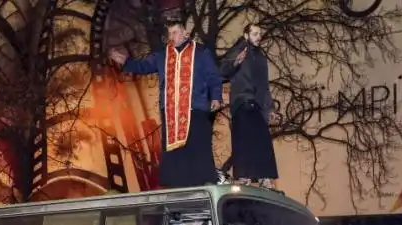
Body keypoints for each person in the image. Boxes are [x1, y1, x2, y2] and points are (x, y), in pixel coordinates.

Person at [110, 18, 222, 188]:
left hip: (195, 108)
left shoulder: (200, 52)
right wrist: (126, 62)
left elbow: (213, 77)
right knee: (173, 151)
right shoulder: (163, 55)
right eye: (170, 33)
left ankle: (203, 181)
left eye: (175, 32)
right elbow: (143, 66)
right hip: (171, 112)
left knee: (198, 146)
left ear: (185, 32)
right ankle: (176, 184)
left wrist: (215, 96)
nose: (172, 36)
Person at [219, 22, 278, 188]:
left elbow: (264, 85)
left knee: (262, 139)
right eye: (255, 34)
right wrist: (235, 63)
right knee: (243, 137)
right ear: (246, 35)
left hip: (257, 103)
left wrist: (270, 107)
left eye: (260, 34)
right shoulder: (239, 49)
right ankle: (244, 175)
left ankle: (264, 177)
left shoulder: (260, 57)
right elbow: (222, 70)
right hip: (242, 99)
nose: (258, 37)